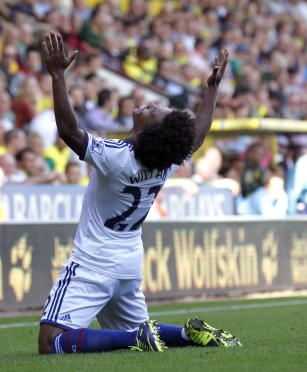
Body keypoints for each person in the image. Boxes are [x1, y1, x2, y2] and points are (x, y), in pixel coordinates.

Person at [38, 32, 241, 355]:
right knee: (136, 328)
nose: (153, 105)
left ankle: (137, 340)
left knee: (51, 343)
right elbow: (196, 136)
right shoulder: (165, 161)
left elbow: (68, 131)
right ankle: (192, 335)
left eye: (155, 111)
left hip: (93, 261)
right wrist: (212, 92)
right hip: (128, 262)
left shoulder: (116, 156)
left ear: (150, 130)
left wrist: (58, 75)